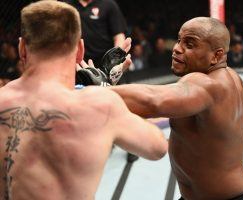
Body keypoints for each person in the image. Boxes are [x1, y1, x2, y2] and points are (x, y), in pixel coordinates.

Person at [0, 1, 168, 199]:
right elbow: (157, 147)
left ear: (21, 48)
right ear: (80, 49)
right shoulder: (100, 105)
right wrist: (106, 90)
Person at [109, 17, 243, 199]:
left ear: (217, 56)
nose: (176, 48)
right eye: (179, 40)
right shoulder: (229, 77)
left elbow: (153, 101)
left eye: (189, 45)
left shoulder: (210, 84)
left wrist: (95, 90)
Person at [63, 0, 127, 67]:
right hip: (77, 63)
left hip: (105, 62)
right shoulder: (66, 6)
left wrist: (115, 61)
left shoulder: (108, 4)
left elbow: (119, 36)